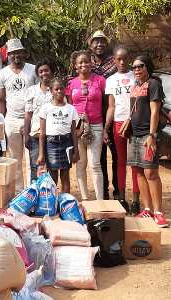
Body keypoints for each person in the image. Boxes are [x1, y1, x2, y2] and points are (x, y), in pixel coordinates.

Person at [127, 55, 168, 227]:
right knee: (138, 173)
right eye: (134, 67)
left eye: (140, 66)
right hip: (134, 135)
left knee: (151, 173)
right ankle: (148, 210)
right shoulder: (135, 85)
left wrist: (152, 135)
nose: (137, 69)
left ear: (147, 67)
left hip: (147, 136)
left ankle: (159, 212)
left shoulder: (154, 84)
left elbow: (155, 112)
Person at [0, 38, 38, 192]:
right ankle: (19, 193)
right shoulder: (2, 74)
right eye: (12, 54)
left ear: (24, 53)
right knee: (15, 159)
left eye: (19, 53)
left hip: (31, 120)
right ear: (7, 55)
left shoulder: (33, 69)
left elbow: (38, 94)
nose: (16, 56)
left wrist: (35, 120)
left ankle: (32, 191)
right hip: (11, 120)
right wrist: (1, 122)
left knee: (32, 159)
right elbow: (1, 99)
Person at [104, 46, 140, 213]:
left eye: (125, 58)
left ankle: (136, 200)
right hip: (118, 123)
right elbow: (111, 106)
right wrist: (106, 128)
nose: (122, 62)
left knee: (135, 163)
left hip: (134, 124)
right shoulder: (110, 80)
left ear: (129, 58)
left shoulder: (137, 76)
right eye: (118, 59)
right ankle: (121, 198)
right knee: (121, 161)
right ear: (114, 60)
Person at [65, 50, 105, 200]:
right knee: (81, 164)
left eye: (86, 61)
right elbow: (69, 106)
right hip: (77, 127)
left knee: (95, 163)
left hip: (95, 125)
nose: (84, 64)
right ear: (75, 66)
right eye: (80, 62)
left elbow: (106, 104)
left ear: (91, 63)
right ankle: (85, 199)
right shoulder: (71, 83)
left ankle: (100, 200)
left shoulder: (100, 81)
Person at [88, 30, 119, 200]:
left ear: (106, 44)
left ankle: (119, 192)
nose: (99, 44)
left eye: (102, 41)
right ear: (90, 45)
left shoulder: (114, 64)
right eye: (95, 41)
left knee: (116, 156)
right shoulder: (87, 65)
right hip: (95, 119)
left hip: (114, 116)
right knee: (99, 159)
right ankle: (104, 194)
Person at [37, 78, 79, 193]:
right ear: (51, 91)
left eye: (61, 88)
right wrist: (41, 154)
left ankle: (65, 203)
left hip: (67, 143)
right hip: (51, 144)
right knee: (52, 176)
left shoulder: (71, 109)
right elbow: (42, 133)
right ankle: (52, 204)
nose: (59, 91)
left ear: (65, 90)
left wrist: (76, 151)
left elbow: (74, 132)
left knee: (65, 175)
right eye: (56, 89)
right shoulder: (45, 108)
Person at [24, 59, 54, 182]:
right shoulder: (31, 90)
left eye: (46, 70)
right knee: (35, 166)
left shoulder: (56, 89)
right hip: (35, 135)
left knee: (53, 167)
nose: (44, 73)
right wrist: (26, 135)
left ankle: (50, 195)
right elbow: (28, 115)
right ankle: (34, 196)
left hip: (53, 135)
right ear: (37, 74)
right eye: (41, 71)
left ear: (51, 72)